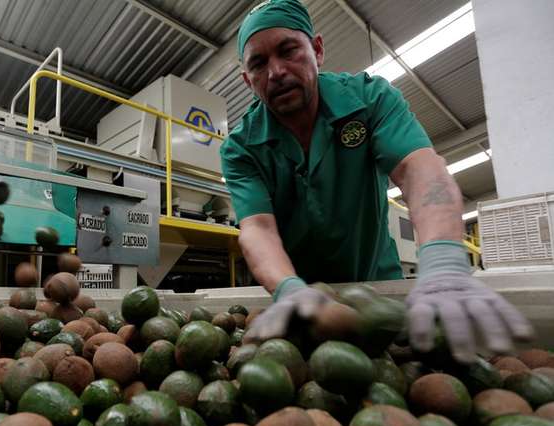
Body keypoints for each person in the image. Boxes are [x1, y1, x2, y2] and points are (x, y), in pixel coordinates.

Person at [221, 0, 533, 363]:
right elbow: (257, 227)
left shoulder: (369, 100)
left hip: (379, 289)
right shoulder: (241, 148)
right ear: (247, 79)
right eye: (258, 63)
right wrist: (289, 289)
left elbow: (419, 169)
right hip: (303, 307)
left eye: (288, 50)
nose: (276, 71)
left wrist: (443, 256)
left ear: (317, 50)